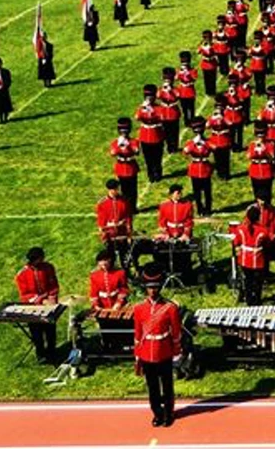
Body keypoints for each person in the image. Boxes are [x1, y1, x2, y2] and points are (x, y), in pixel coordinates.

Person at [132, 263, 183, 428]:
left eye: (155, 287)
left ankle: (169, 412)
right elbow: (138, 335)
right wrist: (138, 355)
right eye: (149, 287)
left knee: (167, 385)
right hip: (147, 352)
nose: (152, 291)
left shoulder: (170, 308)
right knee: (152, 387)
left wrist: (176, 352)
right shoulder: (139, 309)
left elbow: (176, 333)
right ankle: (157, 413)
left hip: (164, 351)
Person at [14, 247, 60, 364]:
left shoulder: (48, 267)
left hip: (49, 304)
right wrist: (40, 300)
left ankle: (52, 351)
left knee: (50, 331)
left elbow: (54, 284)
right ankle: (41, 355)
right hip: (32, 306)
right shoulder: (22, 275)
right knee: (37, 334)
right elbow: (24, 295)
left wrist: (52, 296)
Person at [231, 205, 270, 305]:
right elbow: (267, 243)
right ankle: (257, 299)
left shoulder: (240, 229)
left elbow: (236, 242)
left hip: (245, 260)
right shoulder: (263, 230)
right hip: (258, 260)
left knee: (248, 281)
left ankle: (248, 299)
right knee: (258, 282)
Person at [96, 179, 133, 267]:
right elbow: (101, 221)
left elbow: (128, 216)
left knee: (124, 256)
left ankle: (126, 271)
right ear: (109, 190)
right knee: (110, 256)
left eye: (117, 189)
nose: (116, 191)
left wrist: (129, 232)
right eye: (114, 189)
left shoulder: (124, 200)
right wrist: (104, 231)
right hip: (110, 234)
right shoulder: (102, 203)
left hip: (122, 232)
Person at [181, 118, 213, 216]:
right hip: (195, 169)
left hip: (205, 168)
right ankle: (199, 208)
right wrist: (194, 143)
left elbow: (214, 148)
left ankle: (208, 209)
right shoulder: (191, 142)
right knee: (197, 192)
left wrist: (204, 143)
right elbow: (185, 152)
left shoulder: (208, 141)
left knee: (207, 191)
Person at [110, 117, 141, 211]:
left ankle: (133, 207)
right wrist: (119, 146)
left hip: (131, 166)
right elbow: (112, 153)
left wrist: (128, 145)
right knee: (123, 189)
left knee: (133, 189)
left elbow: (137, 151)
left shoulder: (133, 141)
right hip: (121, 167)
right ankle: (126, 207)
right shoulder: (116, 142)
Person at [137, 85, 165, 183]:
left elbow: (162, 118)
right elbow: (137, 117)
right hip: (145, 135)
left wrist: (152, 112)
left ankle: (158, 172)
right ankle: (150, 174)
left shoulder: (159, 107)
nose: (149, 98)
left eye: (151, 95)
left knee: (157, 156)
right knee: (148, 157)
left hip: (157, 134)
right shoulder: (143, 107)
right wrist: (143, 109)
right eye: (147, 95)